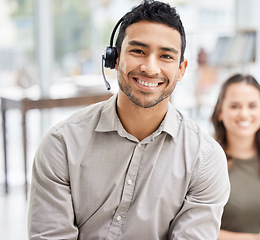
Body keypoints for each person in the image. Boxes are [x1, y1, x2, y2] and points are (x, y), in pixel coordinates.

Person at [27, 1, 230, 239]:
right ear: (113, 58)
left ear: (182, 69)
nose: (150, 68)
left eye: (165, 56)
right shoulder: (61, 144)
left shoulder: (204, 159)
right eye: (138, 51)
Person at [211, 74, 260, 240]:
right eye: (235, 106)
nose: (244, 114)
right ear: (220, 112)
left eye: (252, 106)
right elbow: (196, 229)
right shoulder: (206, 161)